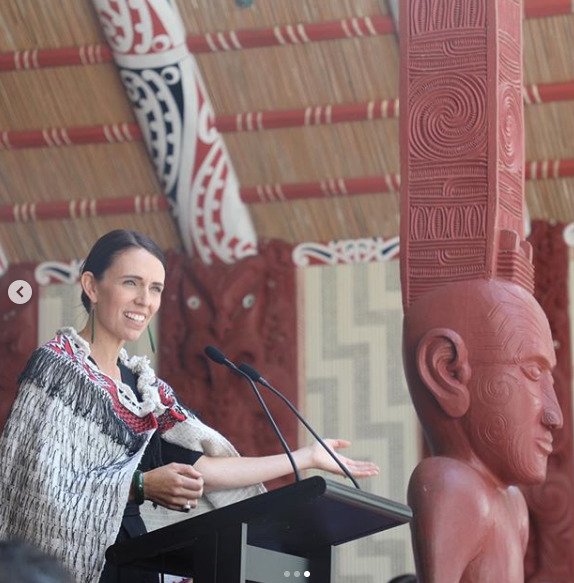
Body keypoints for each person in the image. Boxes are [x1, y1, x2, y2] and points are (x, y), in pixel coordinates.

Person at [0, 230, 378, 583]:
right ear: (91, 286)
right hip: (77, 568)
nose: (144, 301)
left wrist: (306, 457)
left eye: (155, 288)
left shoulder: (146, 391)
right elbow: (38, 488)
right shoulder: (57, 367)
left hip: (138, 561)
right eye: (130, 283)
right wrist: (140, 485)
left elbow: (206, 472)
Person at [402, 278, 563, 582]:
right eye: (532, 372)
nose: (555, 416)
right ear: (447, 371)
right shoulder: (452, 484)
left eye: (549, 381)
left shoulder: (512, 502)